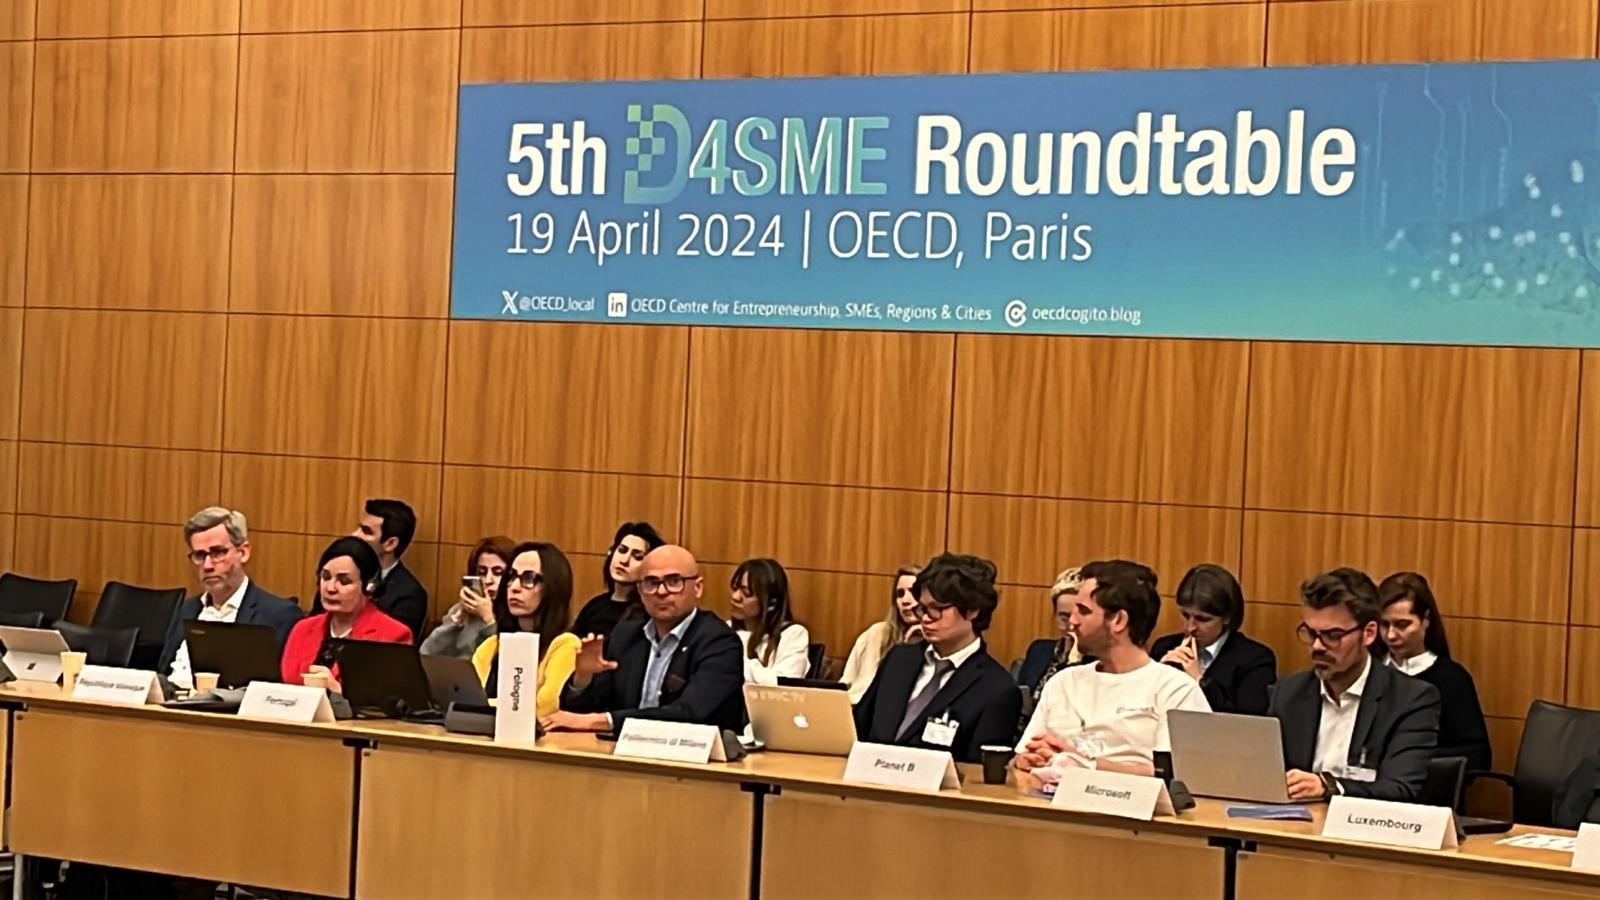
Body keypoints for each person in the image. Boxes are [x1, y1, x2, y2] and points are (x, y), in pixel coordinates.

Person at [1014, 560, 1210, 781]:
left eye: (1083, 611)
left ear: (1119, 620)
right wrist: (1027, 760)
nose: (1073, 621)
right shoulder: (1063, 682)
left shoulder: (1176, 690)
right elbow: (1022, 754)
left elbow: (1177, 776)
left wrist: (1085, 764)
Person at [1271, 568, 1441, 802]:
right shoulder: (1288, 692)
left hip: (1367, 822)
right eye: (1311, 633)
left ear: (1369, 633)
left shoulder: (1411, 699)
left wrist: (1330, 786)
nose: (1318, 646)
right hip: (1294, 820)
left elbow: (1400, 789)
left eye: (1333, 635)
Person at [543, 545, 743, 732]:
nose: (661, 592)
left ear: (697, 587)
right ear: (639, 590)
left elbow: (690, 713)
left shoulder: (720, 642)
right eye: (651, 583)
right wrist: (583, 678)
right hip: (622, 751)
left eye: (674, 581)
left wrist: (605, 721)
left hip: (693, 754)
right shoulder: (626, 636)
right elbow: (578, 714)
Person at [853, 553, 1020, 763]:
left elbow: (979, 772)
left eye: (937, 609)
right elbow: (858, 727)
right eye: (923, 608)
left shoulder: (997, 689)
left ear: (972, 610)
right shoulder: (899, 659)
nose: (925, 618)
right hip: (870, 775)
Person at [157, 507, 304, 690]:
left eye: (218, 552)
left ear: (243, 552)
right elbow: (163, 672)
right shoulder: (187, 609)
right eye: (200, 555)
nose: (208, 565)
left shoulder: (278, 616)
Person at [1378, 571, 1492, 773]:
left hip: (1425, 786)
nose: (1391, 635)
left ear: (1426, 620)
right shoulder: (1367, 671)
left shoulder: (1452, 679)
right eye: (1384, 624)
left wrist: (1414, 758)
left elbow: (1478, 755)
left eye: (1402, 625)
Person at [280, 537, 413, 688]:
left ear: (370, 587)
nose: (330, 588)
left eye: (344, 581)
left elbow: (383, 696)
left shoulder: (394, 635)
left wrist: (336, 692)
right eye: (326, 577)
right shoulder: (302, 629)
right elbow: (288, 685)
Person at [1149, 564, 1277, 715]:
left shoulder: (1255, 660)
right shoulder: (1163, 648)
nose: (1190, 627)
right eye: (1185, 615)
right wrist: (1156, 676)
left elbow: (1247, 722)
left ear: (1227, 617)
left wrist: (1200, 681)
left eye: (1202, 619)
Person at [471, 542, 581, 718]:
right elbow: (467, 699)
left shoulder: (565, 644)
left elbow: (547, 707)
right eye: (511, 577)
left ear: (552, 587)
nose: (514, 587)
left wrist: (484, 707)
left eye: (528, 578)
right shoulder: (490, 646)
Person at [421, 536, 514, 659]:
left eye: (498, 573)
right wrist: (456, 620)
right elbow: (426, 653)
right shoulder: (462, 610)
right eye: (482, 572)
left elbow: (504, 660)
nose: (488, 580)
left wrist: (489, 619)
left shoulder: (516, 613)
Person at [570, 521, 666, 641]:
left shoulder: (647, 614)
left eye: (637, 556)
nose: (624, 560)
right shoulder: (595, 606)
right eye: (622, 550)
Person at [349, 497, 428, 642]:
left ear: (390, 543)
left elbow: (392, 647)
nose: (355, 535)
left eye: (366, 531)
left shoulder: (409, 595)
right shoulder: (337, 577)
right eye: (359, 528)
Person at [840, 565, 922, 703]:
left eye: (913, 592)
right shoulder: (877, 633)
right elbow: (846, 684)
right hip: (855, 707)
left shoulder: (937, 643)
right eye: (900, 594)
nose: (905, 600)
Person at [728, 558, 811, 684]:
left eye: (746, 593)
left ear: (771, 603)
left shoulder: (793, 634)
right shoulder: (723, 630)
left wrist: (731, 661)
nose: (735, 597)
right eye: (734, 589)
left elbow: (783, 683)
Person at [1016, 567, 1087, 698]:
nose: (1071, 625)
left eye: (1080, 616)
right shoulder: (1039, 650)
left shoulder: (1101, 663)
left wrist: (1075, 658)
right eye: (1064, 618)